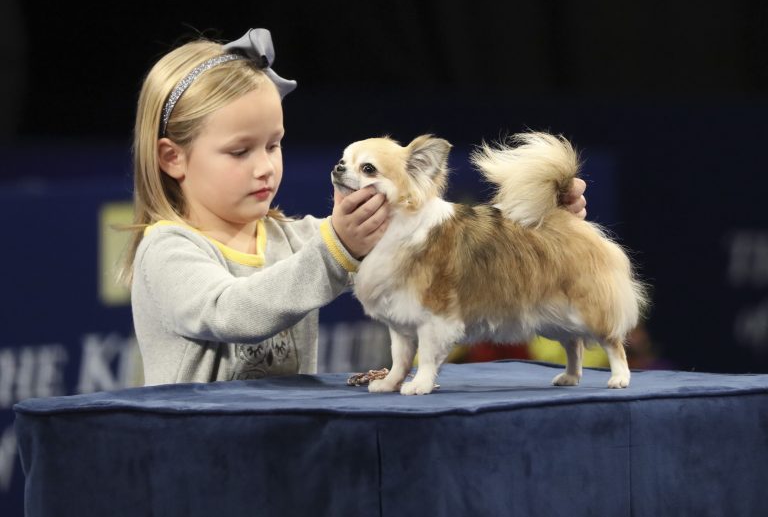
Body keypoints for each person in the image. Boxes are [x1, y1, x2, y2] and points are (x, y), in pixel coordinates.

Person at [122, 28, 588, 385]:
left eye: (274, 145)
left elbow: (437, 254)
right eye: (240, 151)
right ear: (172, 158)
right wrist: (337, 247)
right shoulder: (167, 249)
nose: (264, 167)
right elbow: (229, 313)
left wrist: (538, 227)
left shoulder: (295, 239)